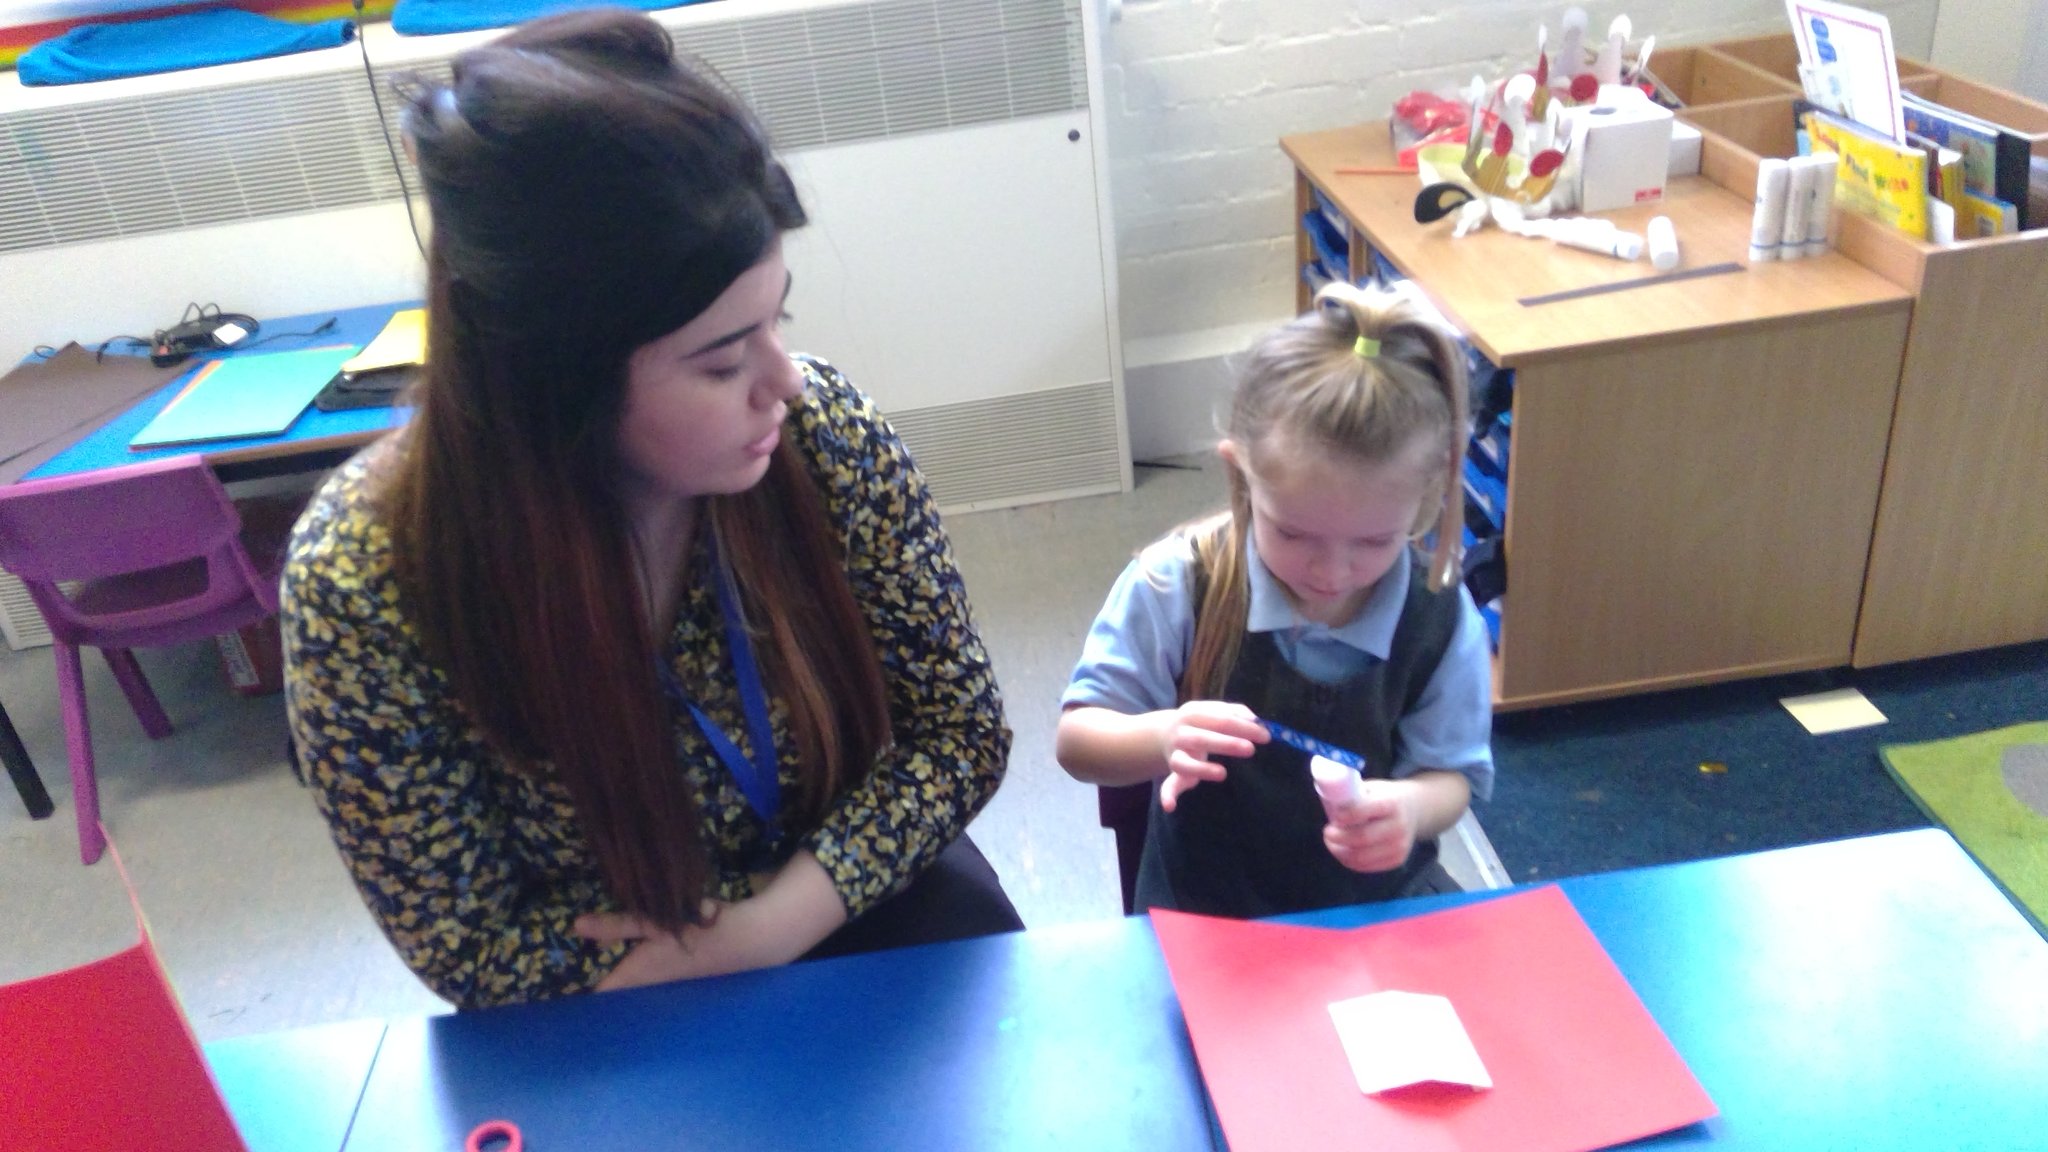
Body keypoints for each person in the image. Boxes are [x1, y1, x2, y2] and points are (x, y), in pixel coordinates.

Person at [281, 10, 1019, 1010]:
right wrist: (697, 963)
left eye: (777, 321)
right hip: (614, 997)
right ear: (556, 385)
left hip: (865, 909)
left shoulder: (824, 435)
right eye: (720, 361)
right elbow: (464, 943)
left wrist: (772, 927)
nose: (784, 384)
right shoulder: (365, 576)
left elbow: (959, 734)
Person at [1055, 281, 1494, 918]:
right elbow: (1077, 740)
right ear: (1240, 474)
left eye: (1373, 541)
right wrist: (1161, 735)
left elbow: (1450, 776)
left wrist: (1410, 810)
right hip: (1206, 915)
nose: (1332, 572)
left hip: (1374, 910)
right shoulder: (1178, 583)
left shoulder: (1440, 619)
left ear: (1426, 501)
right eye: (1292, 532)